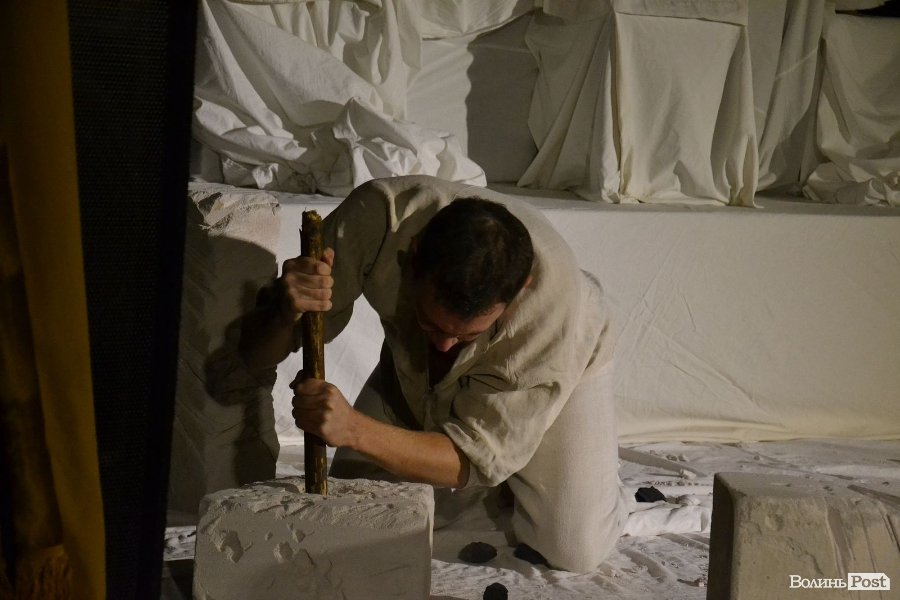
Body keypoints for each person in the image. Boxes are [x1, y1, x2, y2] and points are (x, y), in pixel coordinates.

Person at [239, 175, 627, 572]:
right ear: (413, 255)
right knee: (351, 513)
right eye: (429, 322)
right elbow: (254, 357)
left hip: (564, 352)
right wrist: (285, 312)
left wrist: (354, 429)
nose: (443, 346)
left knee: (572, 548)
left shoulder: (549, 309)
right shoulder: (377, 218)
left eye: (467, 336)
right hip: (411, 364)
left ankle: (599, 489)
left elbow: (474, 460)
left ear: (521, 288)